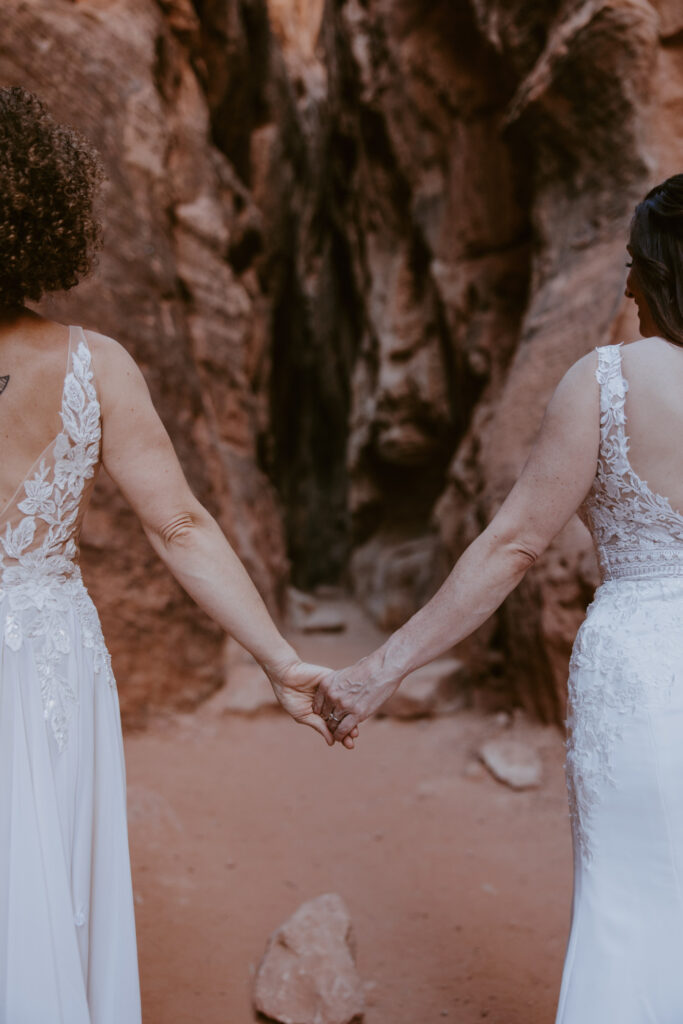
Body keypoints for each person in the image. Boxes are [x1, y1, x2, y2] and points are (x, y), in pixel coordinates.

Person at [0, 86, 356, 1024]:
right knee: (39, 878)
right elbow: (180, 525)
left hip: (44, 651)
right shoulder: (95, 364)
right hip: (43, 651)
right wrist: (278, 661)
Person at [315, 175, 683, 1022]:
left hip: (641, 672)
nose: (626, 286)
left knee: (634, 905)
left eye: (636, 263)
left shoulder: (606, 382)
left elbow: (513, 545)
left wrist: (379, 670)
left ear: (664, 272)